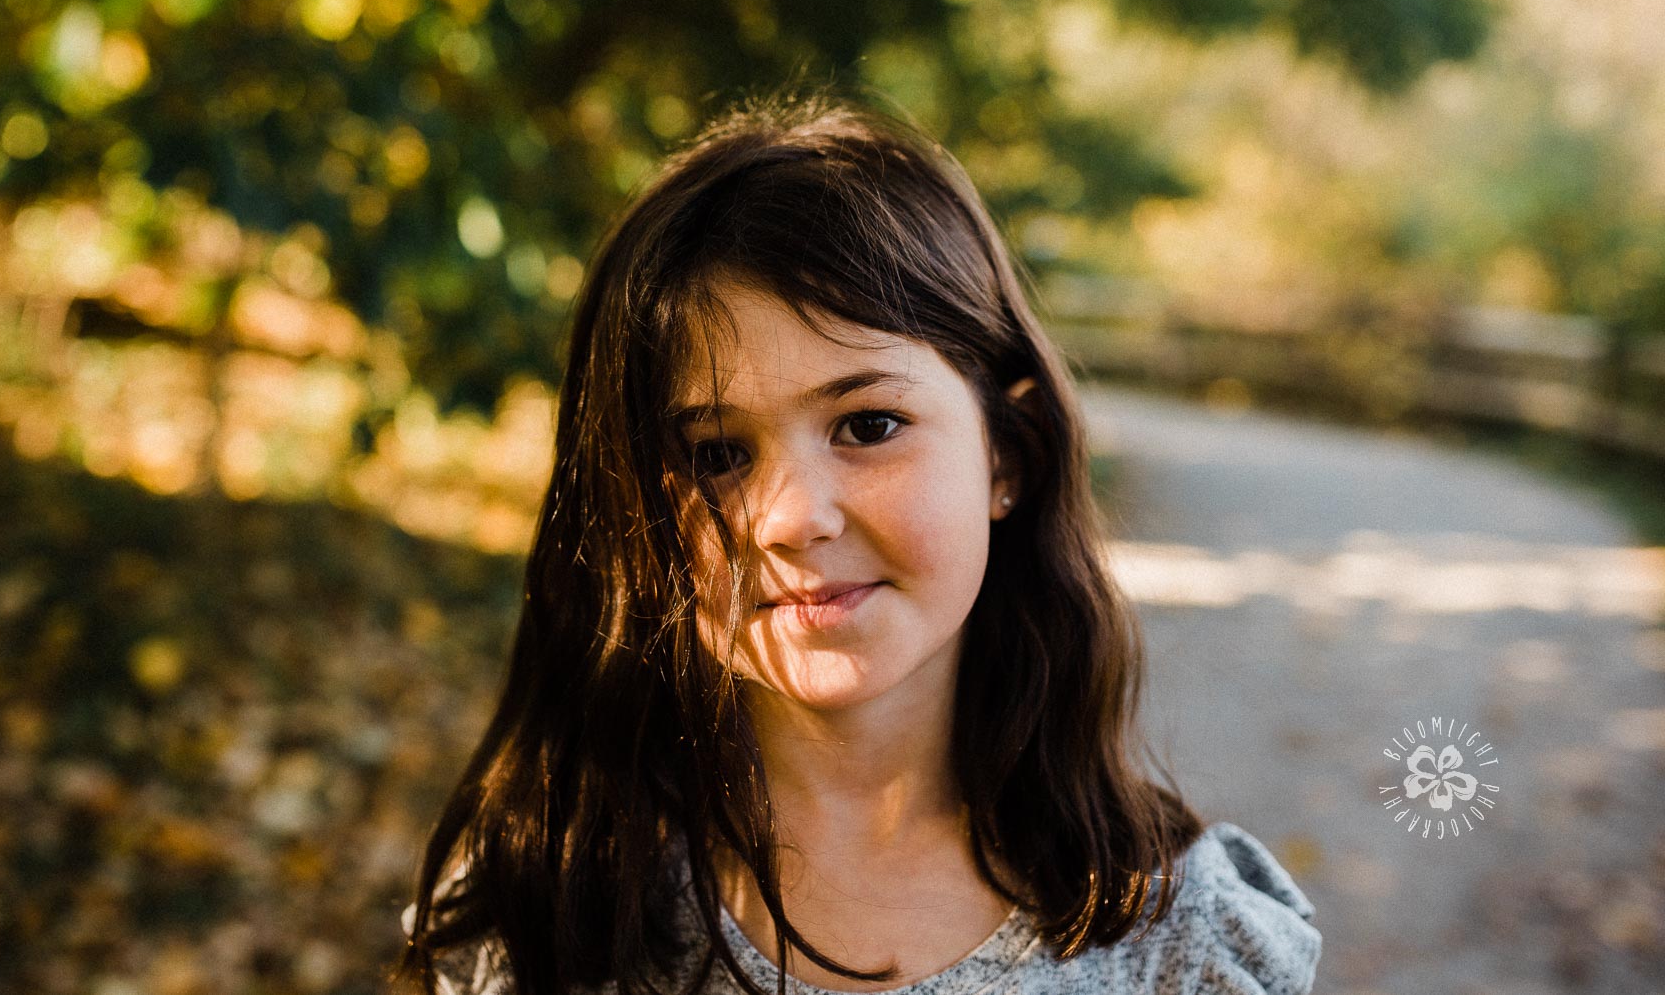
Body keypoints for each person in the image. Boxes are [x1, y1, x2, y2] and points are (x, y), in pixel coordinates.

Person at [390, 91, 1321, 995]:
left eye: (868, 425)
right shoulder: (538, 921)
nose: (793, 518)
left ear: (1007, 455)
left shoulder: (1179, 946)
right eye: (716, 454)